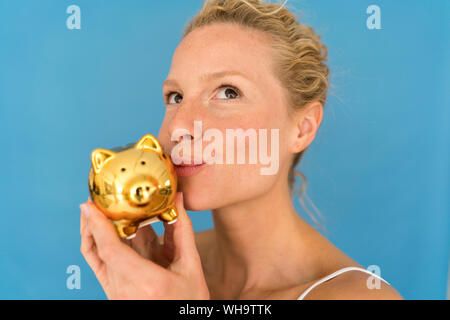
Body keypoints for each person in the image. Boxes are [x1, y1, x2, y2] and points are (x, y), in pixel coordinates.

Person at [80, 0, 403, 300]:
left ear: (302, 128)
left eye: (228, 92)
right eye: (176, 97)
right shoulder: (153, 271)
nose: (179, 126)